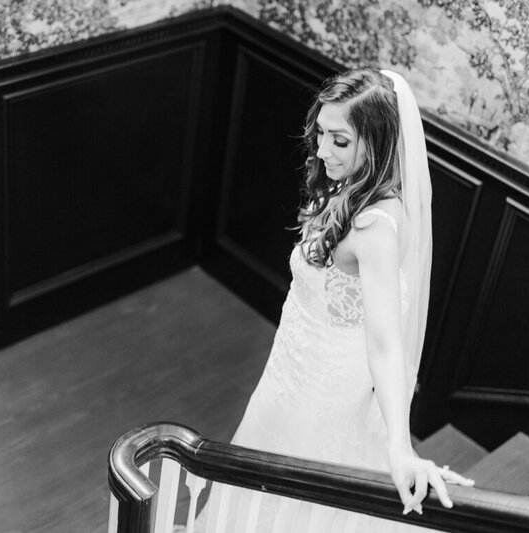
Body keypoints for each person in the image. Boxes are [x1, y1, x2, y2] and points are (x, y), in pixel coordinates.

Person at [196, 68, 474, 532]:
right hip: (289, 371)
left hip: (317, 395)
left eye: (339, 140)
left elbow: (385, 344)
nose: (322, 151)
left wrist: (400, 447)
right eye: (321, 133)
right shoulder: (351, 189)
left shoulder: (375, 230)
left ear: (378, 143)